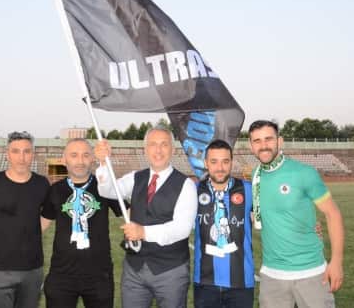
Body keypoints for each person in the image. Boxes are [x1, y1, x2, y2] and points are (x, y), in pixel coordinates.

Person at [94, 125, 197, 308]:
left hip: (170, 271)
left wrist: (143, 232)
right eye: (153, 144)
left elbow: (182, 228)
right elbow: (108, 191)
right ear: (145, 149)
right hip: (134, 269)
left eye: (164, 144)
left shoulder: (186, 185)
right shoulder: (136, 177)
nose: (158, 150)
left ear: (173, 150)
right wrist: (103, 163)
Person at [249, 120, 345, 308]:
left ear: (280, 141)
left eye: (268, 139)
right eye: (257, 141)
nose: (263, 145)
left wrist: (336, 262)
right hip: (272, 275)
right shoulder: (256, 175)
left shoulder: (304, 173)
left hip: (311, 273)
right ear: (251, 146)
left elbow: (333, 214)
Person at [41, 138, 123, 308]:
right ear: (64, 159)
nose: (80, 161)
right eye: (74, 155)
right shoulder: (55, 190)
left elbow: (129, 214)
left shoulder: (105, 187)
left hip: (99, 275)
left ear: (92, 158)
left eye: (85, 155)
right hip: (61, 275)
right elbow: (42, 224)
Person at [0, 131, 49, 308]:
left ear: (33, 154)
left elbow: (47, 216)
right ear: (7, 154)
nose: (21, 157)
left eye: (27, 151)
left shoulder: (42, 184)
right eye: (15, 151)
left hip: (32, 269)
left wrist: (29, 233)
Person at [193, 139, 254, 308]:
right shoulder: (193, 190)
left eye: (225, 161)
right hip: (205, 282)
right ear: (206, 163)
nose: (220, 168)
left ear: (232, 162)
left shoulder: (249, 189)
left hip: (241, 282)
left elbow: (276, 213)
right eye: (214, 162)